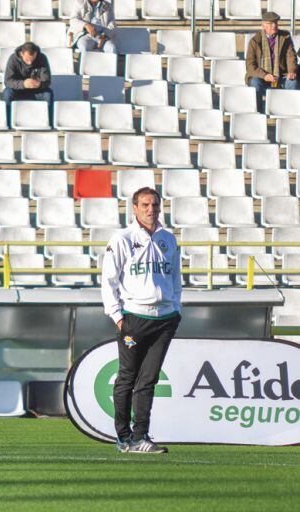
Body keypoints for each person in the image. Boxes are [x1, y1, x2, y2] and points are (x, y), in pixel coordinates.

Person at [100, 187, 182, 454]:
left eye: (155, 205)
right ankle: (124, 438)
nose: (151, 209)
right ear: (134, 208)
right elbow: (108, 281)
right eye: (145, 204)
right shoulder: (122, 238)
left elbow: (175, 279)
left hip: (165, 320)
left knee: (149, 379)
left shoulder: (168, 239)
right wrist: (117, 316)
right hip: (134, 319)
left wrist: (176, 308)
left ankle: (141, 436)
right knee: (127, 377)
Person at [246, 11, 298, 112]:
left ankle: (292, 112)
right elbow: (250, 65)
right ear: (263, 25)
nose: (274, 25)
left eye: (276, 23)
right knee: (255, 83)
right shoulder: (255, 41)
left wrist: (292, 71)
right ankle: (258, 112)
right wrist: (265, 75)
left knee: (293, 83)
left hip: (282, 75)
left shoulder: (285, 37)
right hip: (262, 77)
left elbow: (291, 56)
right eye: (270, 23)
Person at [1, 42, 53, 127]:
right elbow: (8, 81)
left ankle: (48, 123)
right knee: (7, 93)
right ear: (21, 54)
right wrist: (23, 84)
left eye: (32, 59)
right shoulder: (13, 59)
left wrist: (39, 84)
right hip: (18, 90)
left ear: (36, 53)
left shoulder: (42, 58)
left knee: (48, 94)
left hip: (36, 90)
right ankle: (7, 122)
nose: (29, 62)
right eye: (27, 59)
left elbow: (47, 81)